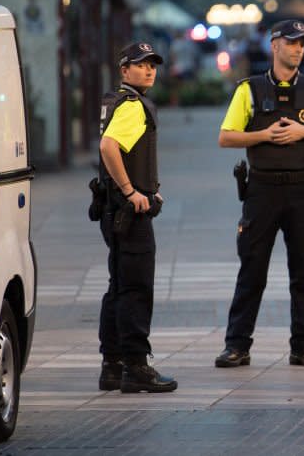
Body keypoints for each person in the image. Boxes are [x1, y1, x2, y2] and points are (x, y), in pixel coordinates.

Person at [216, 19, 304, 368]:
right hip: (261, 189)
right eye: (291, 43)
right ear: (274, 46)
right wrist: (264, 135)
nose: (298, 49)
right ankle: (236, 345)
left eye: (302, 44)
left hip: (303, 189)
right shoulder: (250, 89)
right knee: (252, 269)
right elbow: (226, 136)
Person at [97, 42, 178, 393]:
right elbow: (108, 147)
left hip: (113, 209)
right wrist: (132, 191)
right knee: (136, 288)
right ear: (124, 68)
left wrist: (144, 188)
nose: (149, 71)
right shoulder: (132, 105)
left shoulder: (114, 100)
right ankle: (136, 366)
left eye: (153, 65)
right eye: (141, 65)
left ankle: (112, 365)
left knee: (118, 286)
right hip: (129, 212)